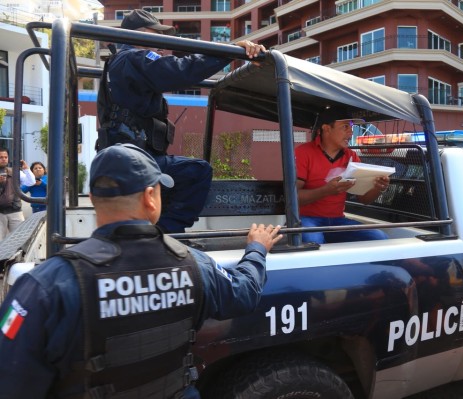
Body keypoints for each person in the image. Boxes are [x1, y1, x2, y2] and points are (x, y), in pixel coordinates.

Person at [0, 143, 282, 398]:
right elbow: (244, 293)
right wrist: (257, 248)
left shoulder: (46, 285)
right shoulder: (195, 264)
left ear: (95, 199)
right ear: (150, 197)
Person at [96, 9, 266, 233]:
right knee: (198, 171)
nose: (158, 43)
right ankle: (167, 235)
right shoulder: (133, 58)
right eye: (153, 34)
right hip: (133, 160)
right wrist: (229, 52)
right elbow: (178, 70)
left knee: (179, 177)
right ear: (139, 34)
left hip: (128, 157)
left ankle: (160, 232)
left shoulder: (119, 62)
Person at [294, 108, 390, 244]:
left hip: (337, 221)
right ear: (326, 129)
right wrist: (326, 191)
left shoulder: (352, 156)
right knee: (313, 241)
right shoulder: (303, 152)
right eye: (345, 127)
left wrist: (377, 187)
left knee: (380, 238)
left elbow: (364, 199)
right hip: (306, 219)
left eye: (351, 127)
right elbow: (292, 197)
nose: (351, 132)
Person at [0, 147, 35, 240]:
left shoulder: (14, 172)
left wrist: (26, 169)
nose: (3, 159)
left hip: (15, 211)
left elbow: (31, 182)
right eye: (1, 157)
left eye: (5, 157)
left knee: (19, 240)